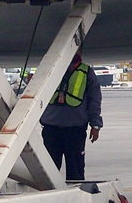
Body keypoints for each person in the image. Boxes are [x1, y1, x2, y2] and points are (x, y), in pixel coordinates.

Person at [40, 48, 102, 181]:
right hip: (52, 129)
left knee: (75, 172)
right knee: (49, 173)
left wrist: (95, 125)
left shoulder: (86, 72)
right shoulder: (50, 70)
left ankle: (76, 198)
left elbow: (94, 100)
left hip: (74, 130)